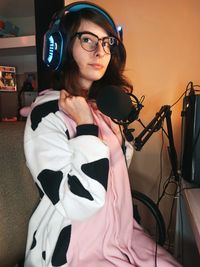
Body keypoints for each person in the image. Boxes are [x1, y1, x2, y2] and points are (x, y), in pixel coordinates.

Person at [24, 2, 182, 266]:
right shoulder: (47, 114)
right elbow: (78, 203)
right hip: (73, 249)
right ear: (61, 47)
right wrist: (86, 128)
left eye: (107, 43)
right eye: (88, 40)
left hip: (121, 236)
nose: (100, 52)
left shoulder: (102, 109)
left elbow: (112, 177)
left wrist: (106, 125)